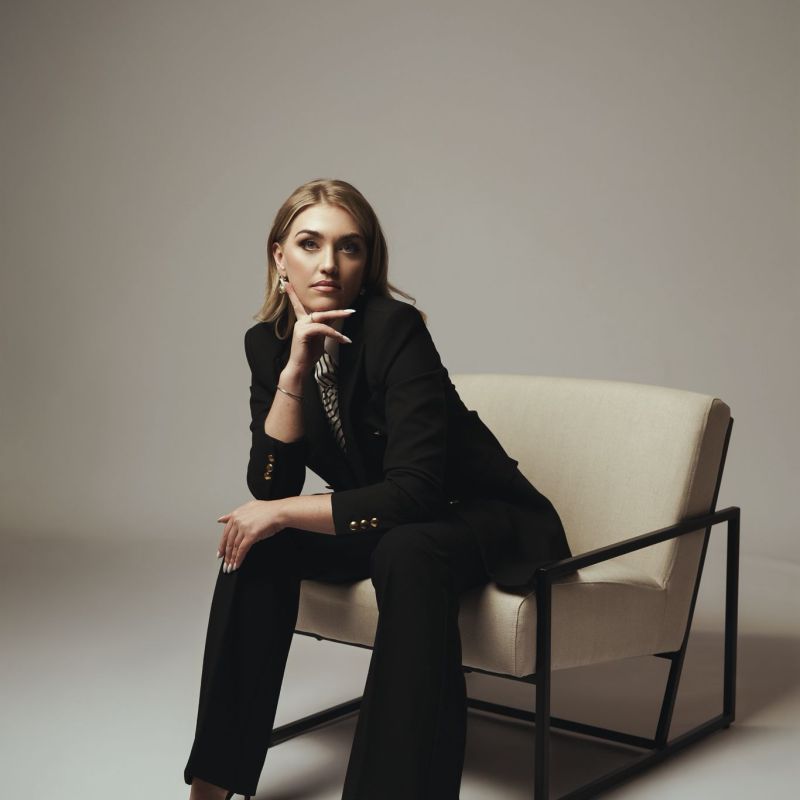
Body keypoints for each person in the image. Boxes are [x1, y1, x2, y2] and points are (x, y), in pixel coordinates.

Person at [183, 178, 572, 800]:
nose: (329, 264)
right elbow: (269, 480)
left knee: (406, 550)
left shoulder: (396, 329)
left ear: (369, 263)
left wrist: (281, 510)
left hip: (478, 515)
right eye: (310, 244)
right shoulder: (268, 344)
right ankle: (213, 780)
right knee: (257, 544)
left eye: (350, 247)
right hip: (391, 515)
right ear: (279, 256)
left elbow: (416, 492)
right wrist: (294, 372)